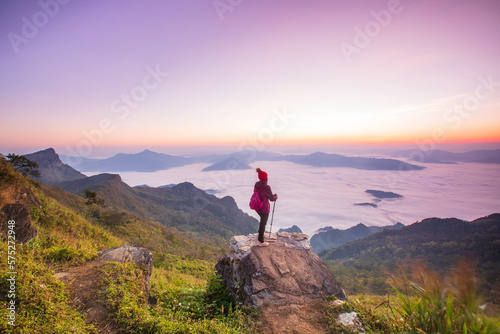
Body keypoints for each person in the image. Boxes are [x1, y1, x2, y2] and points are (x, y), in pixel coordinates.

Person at [254, 168, 278, 246]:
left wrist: (269, 195)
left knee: (262, 222)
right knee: (263, 223)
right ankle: (260, 241)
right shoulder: (267, 187)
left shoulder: (257, 185)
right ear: (266, 178)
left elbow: (262, 194)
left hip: (257, 206)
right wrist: (275, 197)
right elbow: (271, 198)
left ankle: (261, 233)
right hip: (264, 208)